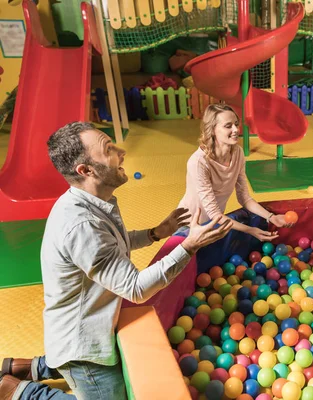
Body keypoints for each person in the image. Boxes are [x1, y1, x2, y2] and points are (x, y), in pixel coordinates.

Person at [0, 122, 232, 400]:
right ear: (85, 171)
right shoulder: (82, 225)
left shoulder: (92, 200)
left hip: (87, 322)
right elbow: (135, 288)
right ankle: (21, 391)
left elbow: (112, 244)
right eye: (108, 149)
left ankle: (32, 366)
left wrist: (155, 233)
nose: (121, 152)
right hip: (82, 346)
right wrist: (190, 245)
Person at [178, 104, 294, 241]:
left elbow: (244, 197)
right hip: (188, 226)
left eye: (236, 124)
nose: (235, 129)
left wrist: (271, 217)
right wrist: (250, 230)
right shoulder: (199, 162)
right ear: (213, 130)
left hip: (215, 223)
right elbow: (214, 213)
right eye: (228, 126)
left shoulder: (237, 153)